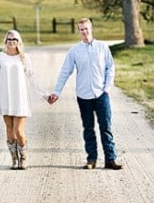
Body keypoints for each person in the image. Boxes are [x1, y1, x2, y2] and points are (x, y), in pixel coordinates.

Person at [48, 18, 123, 170]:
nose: (84, 32)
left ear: (91, 29)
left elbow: (110, 68)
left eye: (86, 29)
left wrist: (107, 88)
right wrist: (56, 92)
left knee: (106, 127)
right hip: (83, 96)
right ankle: (91, 160)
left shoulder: (102, 47)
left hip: (101, 94)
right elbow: (65, 72)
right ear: (79, 31)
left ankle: (110, 159)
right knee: (88, 128)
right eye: (81, 29)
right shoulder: (75, 51)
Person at [0, 29, 49, 170]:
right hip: (5, 97)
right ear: (5, 41)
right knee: (9, 129)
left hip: (20, 99)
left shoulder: (24, 58)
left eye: (14, 40)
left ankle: (24, 157)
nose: (11, 42)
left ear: (19, 42)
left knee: (18, 130)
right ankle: (14, 158)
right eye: (9, 39)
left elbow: (33, 79)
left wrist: (44, 94)